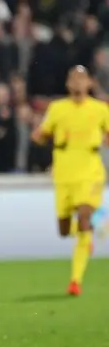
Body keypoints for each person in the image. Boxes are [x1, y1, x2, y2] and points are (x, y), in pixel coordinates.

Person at [31, 65, 109, 296]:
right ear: (67, 83)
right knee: (65, 230)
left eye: (81, 78)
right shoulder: (57, 108)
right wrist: (40, 136)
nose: (77, 82)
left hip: (90, 171)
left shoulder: (100, 109)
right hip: (64, 173)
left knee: (84, 218)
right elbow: (41, 134)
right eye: (73, 77)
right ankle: (85, 238)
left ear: (90, 83)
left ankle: (75, 281)